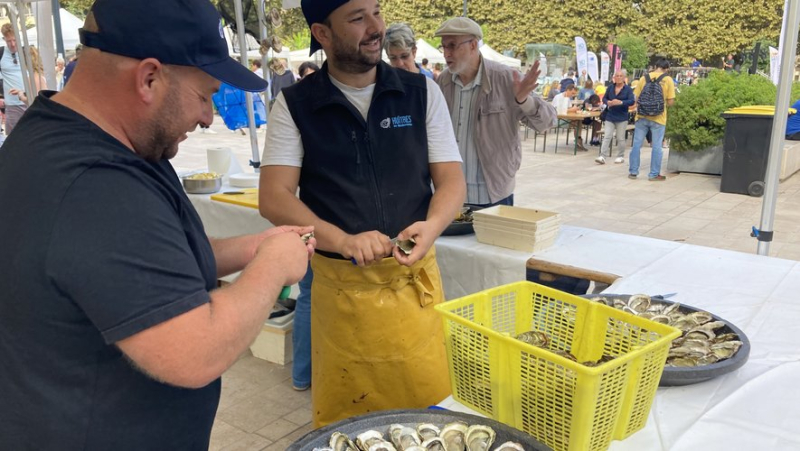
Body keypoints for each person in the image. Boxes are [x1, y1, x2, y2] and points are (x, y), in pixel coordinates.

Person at [0, 0, 316, 449]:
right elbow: (195, 351)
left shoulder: (88, 137)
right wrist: (271, 266)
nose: (209, 116)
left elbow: (148, 262)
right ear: (149, 78)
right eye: (204, 94)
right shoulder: (97, 185)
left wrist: (251, 246)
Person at [258, 0, 466, 427]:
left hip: (414, 286)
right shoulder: (295, 104)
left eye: (377, 12)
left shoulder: (420, 91)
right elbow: (274, 198)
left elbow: (451, 182)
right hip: (342, 294)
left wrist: (432, 225)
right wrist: (343, 240)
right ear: (322, 33)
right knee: (350, 424)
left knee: (428, 419)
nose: (376, 28)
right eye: (357, 18)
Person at [435, 16, 556, 206]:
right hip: (450, 195)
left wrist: (524, 100)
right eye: (444, 46)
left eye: (452, 45)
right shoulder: (443, 81)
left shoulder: (506, 78)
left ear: (473, 45)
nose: (446, 53)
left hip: (493, 194)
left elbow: (548, 122)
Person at [628, 58, 676, 180]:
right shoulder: (668, 80)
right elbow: (670, 102)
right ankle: (654, 174)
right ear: (667, 69)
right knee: (657, 146)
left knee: (636, 144)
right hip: (659, 118)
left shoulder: (644, 78)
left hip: (642, 116)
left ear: (656, 66)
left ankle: (633, 171)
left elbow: (636, 98)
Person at [596, 70, 635, 164]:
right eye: (616, 76)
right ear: (614, 77)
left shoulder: (628, 89)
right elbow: (605, 98)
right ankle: (602, 156)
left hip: (622, 116)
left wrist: (621, 102)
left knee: (620, 138)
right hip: (610, 115)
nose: (618, 77)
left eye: (620, 76)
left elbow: (631, 101)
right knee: (607, 136)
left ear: (624, 78)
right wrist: (608, 102)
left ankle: (620, 156)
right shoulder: (610, 87)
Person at [0, 23, 27, 135]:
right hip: (12, 104)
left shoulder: (27, 52)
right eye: (8, 41)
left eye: (14, 40)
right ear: (4, 39)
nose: (12, 44)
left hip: (28, 101)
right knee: (13, 137)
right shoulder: (1, 53)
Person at [552, 84, 586, 150]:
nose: (572, 95)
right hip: (559, 119)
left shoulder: (567, 99)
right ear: (567, 90)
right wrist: (572, 110)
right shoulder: (558, 97)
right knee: (577, 122)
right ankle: (578, 140)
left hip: (566, 118)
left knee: (579, 121)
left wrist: (575, 109)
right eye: (572, 93)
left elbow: (570, 109)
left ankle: (578, 140)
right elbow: (557, 111)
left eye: (574, 94)